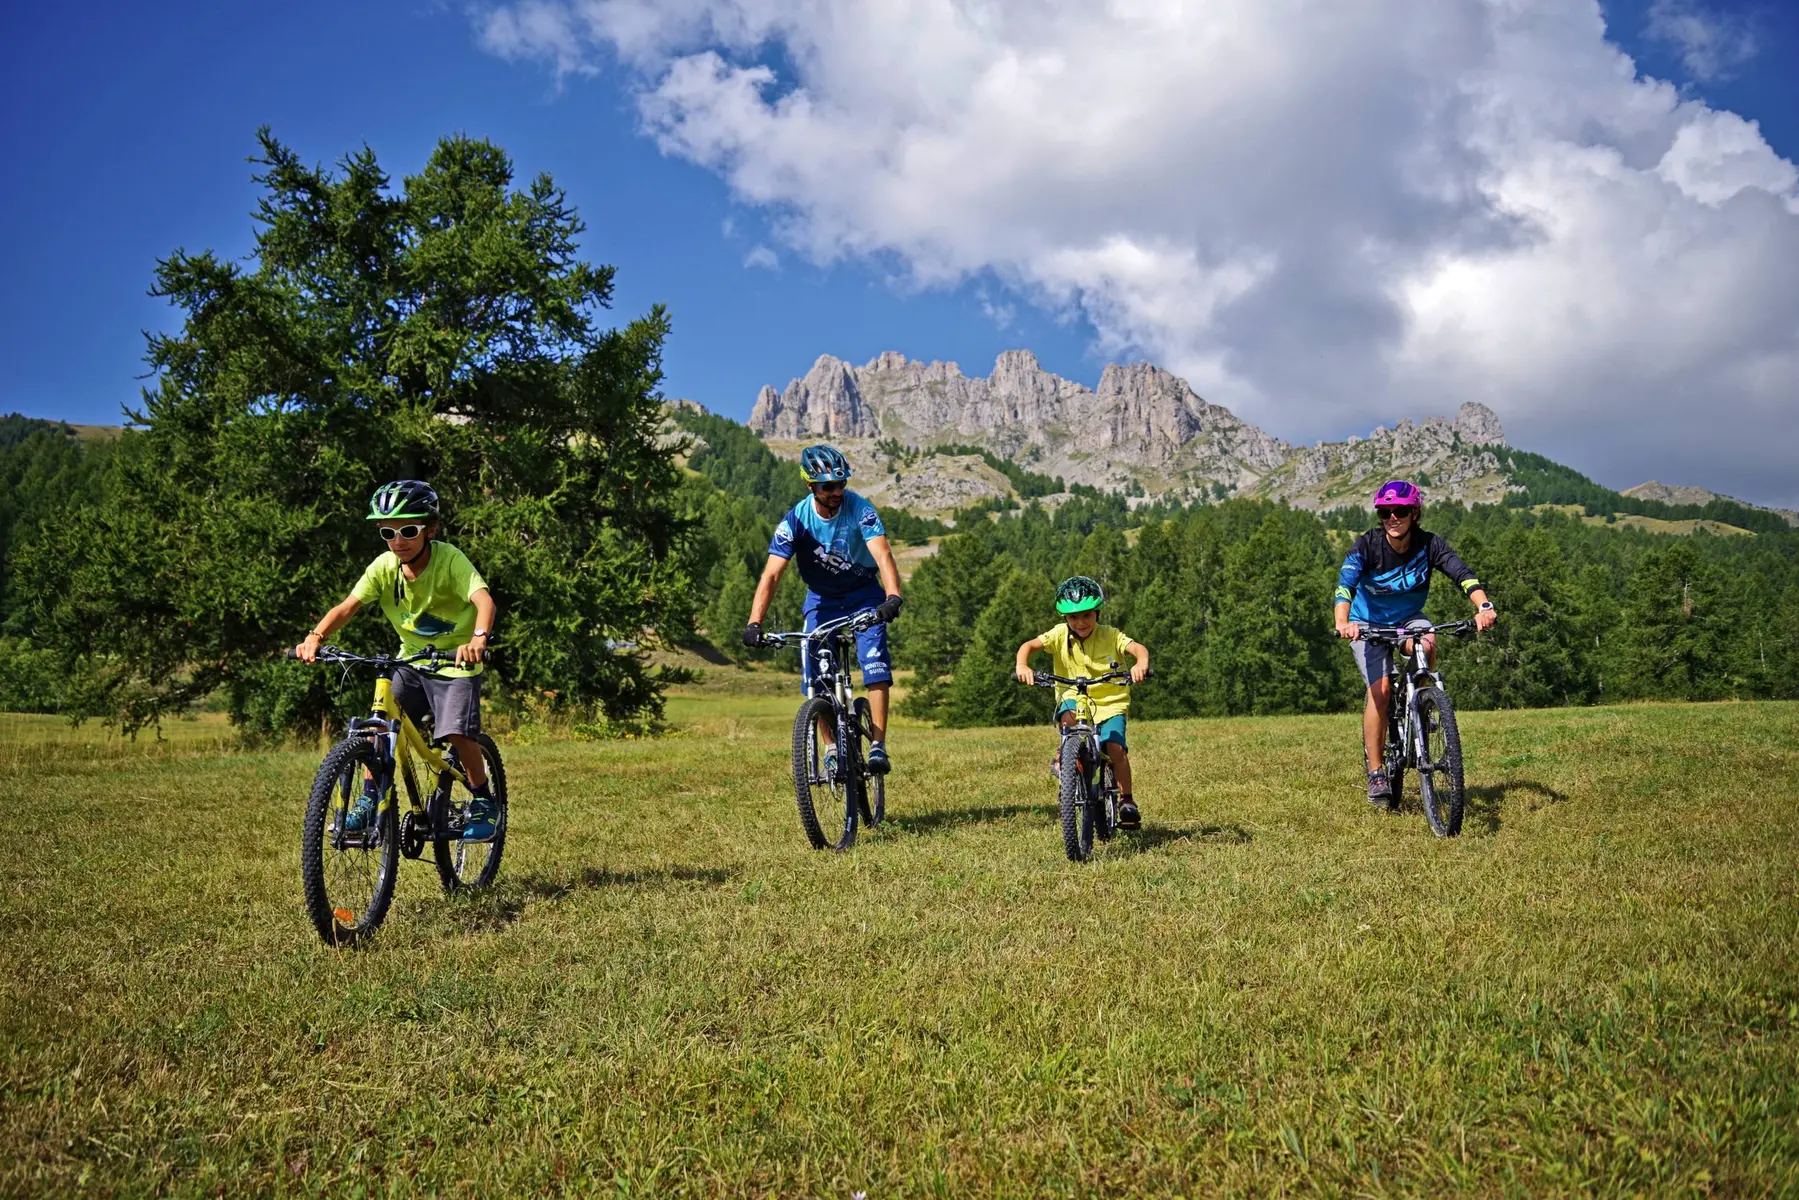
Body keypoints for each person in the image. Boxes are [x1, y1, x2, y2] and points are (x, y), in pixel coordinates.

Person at [294, 480, 501, 840]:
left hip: (456, 663)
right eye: (388, 533)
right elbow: (347, 607)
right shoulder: (384, 567)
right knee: (377, 727)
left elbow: (484, 601)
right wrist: (315, 637)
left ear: (429, 530)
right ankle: (368, 800)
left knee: (456, 731)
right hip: (411, 662)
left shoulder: (450, 559)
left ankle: (483, 799)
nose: (398, 540)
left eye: (408, 531)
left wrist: (477, 639)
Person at [742, 445, 905, 774]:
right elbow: (771, 575)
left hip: (864, 595)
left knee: (874, 664)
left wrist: (892, 597)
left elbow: (883, 554)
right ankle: (830, 747)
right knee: (818, 679)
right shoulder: (795, 521)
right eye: (828, 486)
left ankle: (877, 745)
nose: (837, 492)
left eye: (841, 484)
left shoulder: (860, 509)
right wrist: (755, 622)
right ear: (810, 486)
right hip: (821, 599)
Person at [1334, 480, 1497, 805]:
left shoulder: (1429, 544)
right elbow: (1345, 585)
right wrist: (1343, 622)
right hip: (1366, 624)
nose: (1393, 518)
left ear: (1415, 513)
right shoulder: (1367, 545)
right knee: (1380, 691)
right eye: (1385, 512)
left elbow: (1462, 574)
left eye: (1400, 511)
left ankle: (1420, 701)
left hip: (1408, 619)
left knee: (1428, 644)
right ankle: (1376, 772)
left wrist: (1484, 606)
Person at [1013, 576, 1151, 830]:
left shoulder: (1111, 635)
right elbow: (1028, 646)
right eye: (1073, 617)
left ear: (1097, 613)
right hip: (1072, 695)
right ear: (1065, 618)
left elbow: (1138, 649)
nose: (1080, 622)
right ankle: (1067, 754)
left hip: (1110, 701)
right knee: (1068, 717)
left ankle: (1126, 800)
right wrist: (1022, 665)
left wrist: (1140, 664)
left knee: (1115, 749)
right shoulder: (1059, 634)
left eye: (1087, 615)